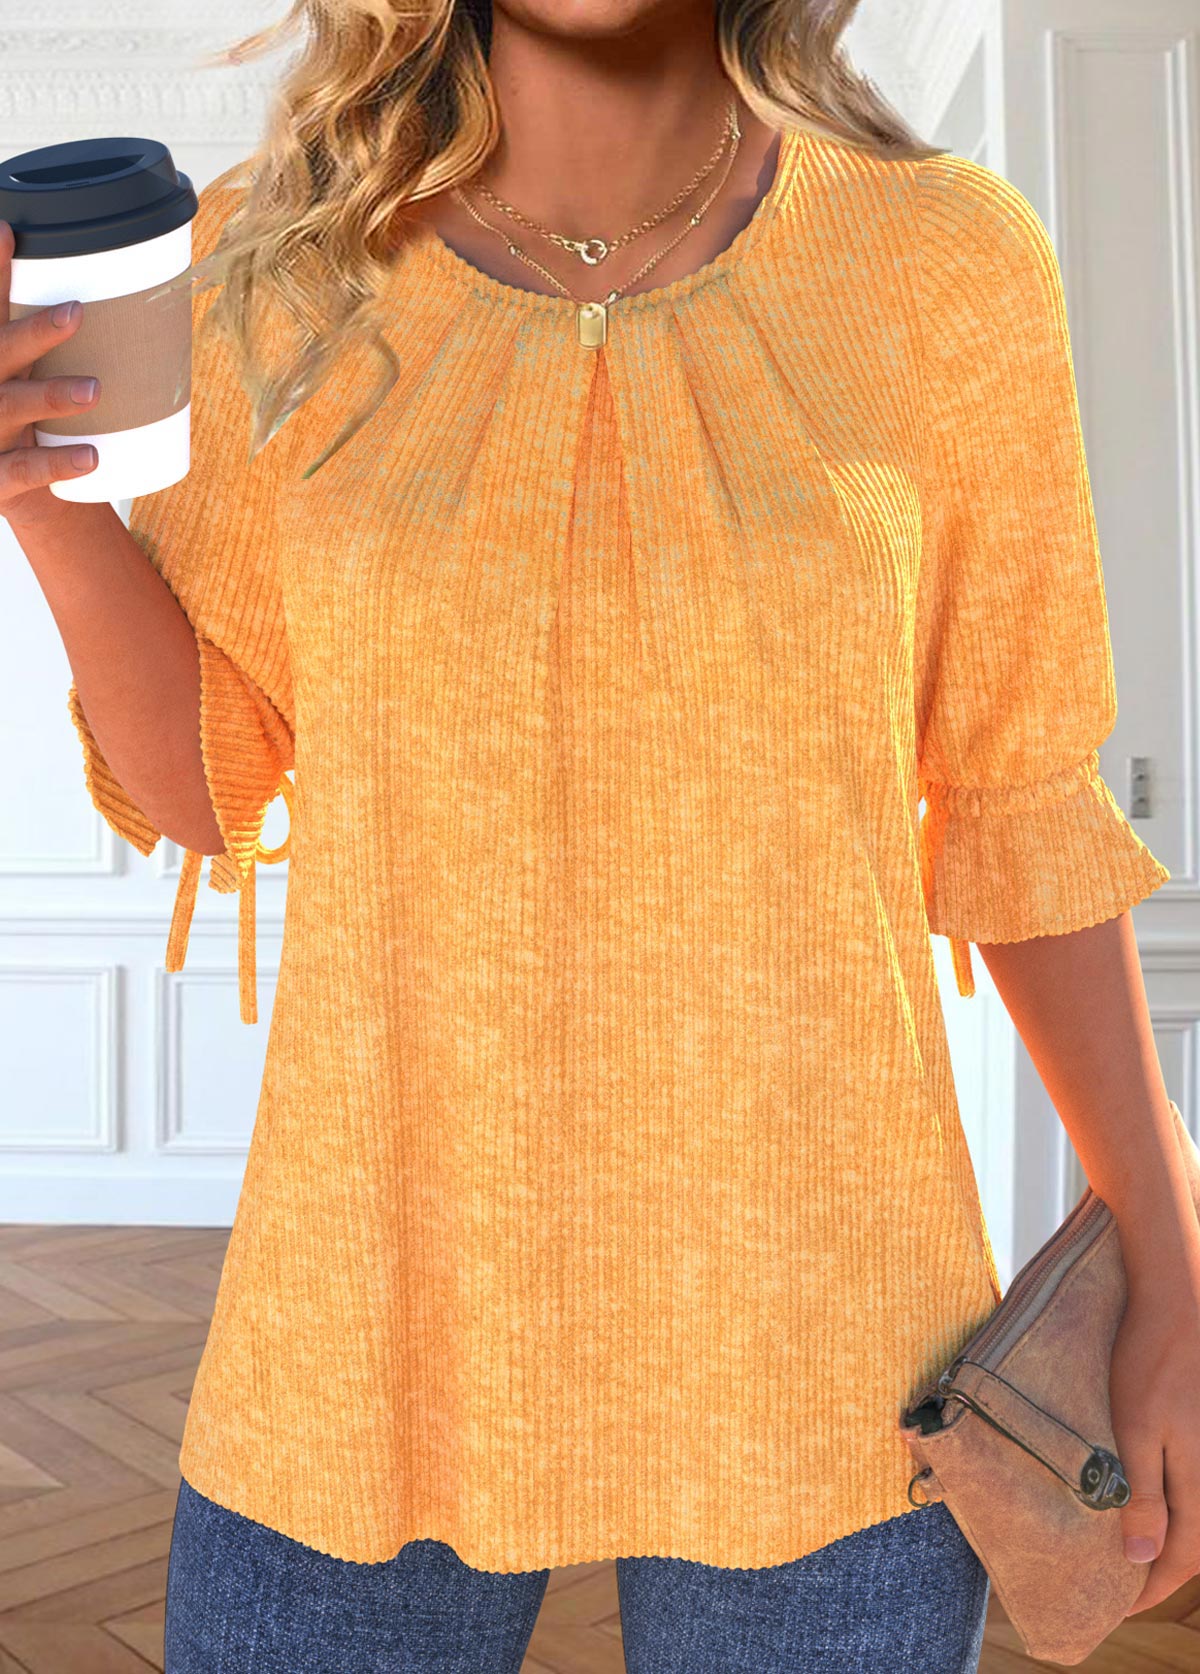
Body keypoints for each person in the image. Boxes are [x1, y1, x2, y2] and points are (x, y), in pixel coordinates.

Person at [5, 1, 1198, 1670]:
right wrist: (43, 507)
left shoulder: (946, 263)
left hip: (825, 1332)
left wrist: (1170, 1250)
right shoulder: (270, 271)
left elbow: (1020, 807)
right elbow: (213, 780)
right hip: (368, 1316)